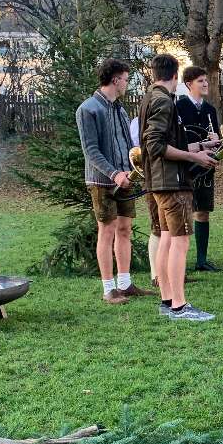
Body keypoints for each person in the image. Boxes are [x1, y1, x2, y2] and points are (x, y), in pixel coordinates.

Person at [139, 53, 217, 321]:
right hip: (173, 183)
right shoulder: (164, 102)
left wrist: (202, 147)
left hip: (159, 182)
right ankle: (179, 306)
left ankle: (167, 300)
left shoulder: (151, 97)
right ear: (176, 76)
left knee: (166, 239)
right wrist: (194, 157)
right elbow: (155, 145)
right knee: (180, 242)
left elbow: (168, 142)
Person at [76, 58, 153, 305]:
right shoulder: (88, 109)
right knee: (106, 231)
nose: (127, 84)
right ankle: (108, 289)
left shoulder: (119, 109)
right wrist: (113, 174)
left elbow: (128, 145)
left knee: (124, 230)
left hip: (125, 178)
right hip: (102, 181)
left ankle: (125, 284)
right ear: (115, 79)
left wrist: (134, 168)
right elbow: (90, 150)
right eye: (126, 79)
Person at [175, 66, 222, 272]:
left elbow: (220, 141)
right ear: (188, 85)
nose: (205, 84)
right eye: (200, 81)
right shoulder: (179, 107)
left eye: (206, 81)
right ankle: (178, 261)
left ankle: (201, 260)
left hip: (205, 168)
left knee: (203, 212)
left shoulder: (210, 110)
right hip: (185, 166)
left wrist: (217, 140)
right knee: (182, 213)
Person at [130, 115, 161, 286]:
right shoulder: (138, 122)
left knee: (170, 229)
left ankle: (170, 271)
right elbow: (139, 150)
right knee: (157, 227)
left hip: (167, 175)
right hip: (152, 175)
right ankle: (155, 274)